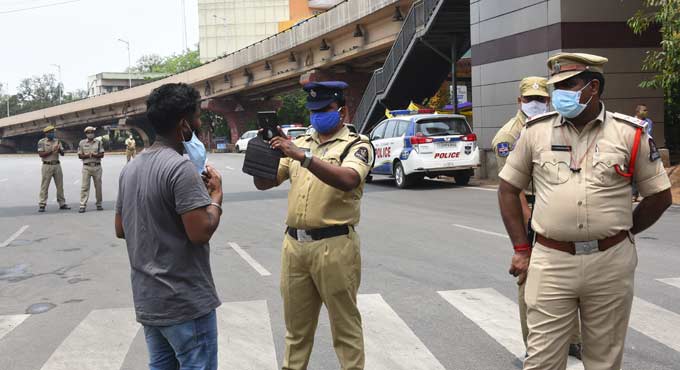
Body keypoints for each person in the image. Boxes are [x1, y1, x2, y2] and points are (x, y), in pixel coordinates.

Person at [498, 53, 672, 370]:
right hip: (551, 261)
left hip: (610, 263)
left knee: (603, 360)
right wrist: (522, 249)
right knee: (542, 361)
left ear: (593, 87)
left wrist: (625, 230)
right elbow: (508, 189)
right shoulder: (535, 132)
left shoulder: (629, 134)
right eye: (556, 86)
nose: (558, 93)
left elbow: (659, 194)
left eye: (569, 84)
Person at [252, 81, 374, 370]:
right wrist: (265, 151)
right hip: (295, 247)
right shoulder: (302, 142)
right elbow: (264, 183)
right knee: (296, 332)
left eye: (325, 109)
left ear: (342, 111)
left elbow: (348, 179)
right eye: (313, 111)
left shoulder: (357, 144)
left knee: (345, 329)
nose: (317, 116)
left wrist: (303, 157)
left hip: (335, 246)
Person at [115, 83, 224, 370]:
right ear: (184, 124)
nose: (200, 124)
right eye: (198, 117)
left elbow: (121, 228)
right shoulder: (180, 168)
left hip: (150, 300)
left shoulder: (131, 168)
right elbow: (200, 232)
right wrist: (216, 197)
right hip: (184, 302)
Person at [492, 76, 583, 359]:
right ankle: (534, 346)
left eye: (541, 99)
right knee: (529, 277)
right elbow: (510, 187)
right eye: (530, 100)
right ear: (519, 101)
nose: (536, 104)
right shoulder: (509, 136)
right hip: (528, 209)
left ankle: (572, 340)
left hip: (558, 207)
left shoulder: (558, 126)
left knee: (569, 273)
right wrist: (527, 221)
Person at [37, 125, 70, 212]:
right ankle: (42, 204)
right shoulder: (41, 142)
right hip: (47, 165)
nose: (52, 134)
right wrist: (52, 150)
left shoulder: (57, 141)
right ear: (46, 133)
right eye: (50, 132)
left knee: (60, 185)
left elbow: (62, 153)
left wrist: (59, 150)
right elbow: (41, 154)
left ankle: (62, 203)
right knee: (45, 185)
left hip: (57, 165)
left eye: (53, 132)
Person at [78, 126, 105, 213]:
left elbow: (102, 154)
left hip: (97, 167)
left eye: (92, 132)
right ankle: (82, 205)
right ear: (86, 134)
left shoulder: (99, 142)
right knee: (85, 187)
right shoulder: (82, 143)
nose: (91, 134)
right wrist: (87, 155)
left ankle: (99, 204)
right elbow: (80, 155)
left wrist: (94, 155)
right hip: (86, 167)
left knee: (98, 187)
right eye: (89, 132)